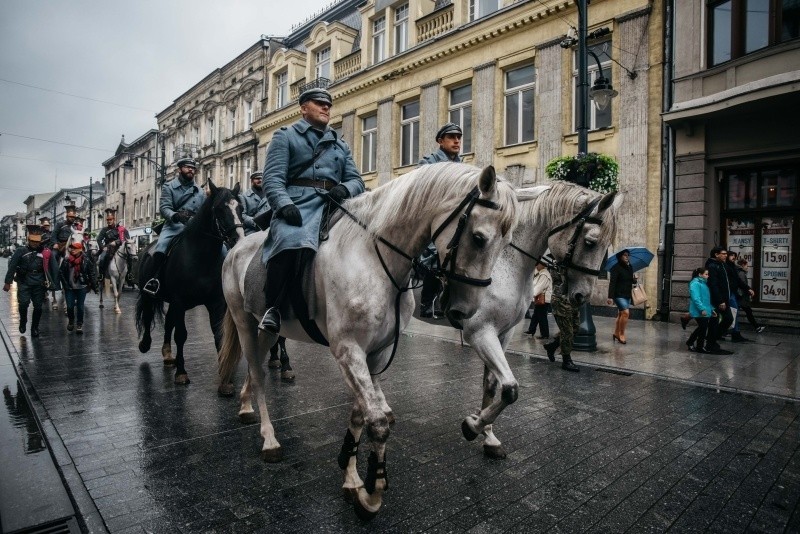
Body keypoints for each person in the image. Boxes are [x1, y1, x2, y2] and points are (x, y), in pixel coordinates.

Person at [259, 88, 365, 333]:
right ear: (304, 108)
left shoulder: (340, 144)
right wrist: (284, 205)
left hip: (334, 204)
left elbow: (356, 180)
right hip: (298, 205)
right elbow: (272, 179)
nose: (326, 107)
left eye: (328, 104)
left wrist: (344, 189)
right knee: (290, 240)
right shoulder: (285, 136)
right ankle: (272, 308)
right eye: (319, 103)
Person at [416, 122, 463, 317]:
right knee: (434, 260)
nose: (457, 141)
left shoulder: (463, 166)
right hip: (432, 216)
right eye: (451, 137)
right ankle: (426, 304)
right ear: (440, 141)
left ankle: (451, 302)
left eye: (459, 137)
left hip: (455, 219)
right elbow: (424, 191)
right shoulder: (428, 163)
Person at [143, 157, 206, 295]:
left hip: (194, 227)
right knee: (161, 247)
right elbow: (164, 207)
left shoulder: (200, 191)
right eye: (187, 167)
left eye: (193, 168)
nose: (191, 170)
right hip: (174, 226)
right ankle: (154, 280)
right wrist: (175, 215)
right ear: (179, 169)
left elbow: (204, 211)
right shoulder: (169, 186)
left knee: (222, 249)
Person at [3, 225, 57, 337]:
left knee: (38, 307)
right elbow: (12, 267)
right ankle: (23, 321)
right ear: (28, 240)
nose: (35, 243)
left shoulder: (44, 252)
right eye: (32, 241)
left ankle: (35, 327)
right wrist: (8, 282)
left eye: (37, 241)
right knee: (23, 304)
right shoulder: (20, 251)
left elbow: (53, 268)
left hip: (39, 282)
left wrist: (54, 283)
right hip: (24, 282)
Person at [542, 269, 580, 372]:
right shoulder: (558, 263)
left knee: (575, 328)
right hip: (561, 300)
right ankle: (566, 360)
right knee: (567, 332)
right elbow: (564, 278)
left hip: (572, 300)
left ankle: (552, 346)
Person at [59, 241, 97, 334]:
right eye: (71, 248)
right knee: (70, 307)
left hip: (81, 287)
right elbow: (61, 272)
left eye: (75, 248)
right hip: (70, 287)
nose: (72, 250)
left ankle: (79, 324)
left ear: (80, 249)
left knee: (80, 307)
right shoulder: (67, 259)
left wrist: (94, 286)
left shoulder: (86, 260)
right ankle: (71, 321)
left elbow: (91, 273)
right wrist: (65, 284)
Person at [705, 246, 734, 351]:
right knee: (715, 320)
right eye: (723, 253)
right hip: (717, 300)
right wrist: (720, 300)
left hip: (724, 299)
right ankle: (710, 343)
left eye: (726, 254)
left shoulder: (723, 265)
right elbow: (714, 285)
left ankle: (712, 339)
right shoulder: (712, 266)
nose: (726, 255)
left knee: (728, 319)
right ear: (716, 254)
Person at [685, 267, 719, 353]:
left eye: (708, 274)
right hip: (699, 310)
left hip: (704, 310)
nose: (708, 276)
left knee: (702, 328)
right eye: (706, 274)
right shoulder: (695, 283)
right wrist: (702, 309)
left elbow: (706, 299)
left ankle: (692, 343)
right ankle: (697, 345)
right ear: (700, 275)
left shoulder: (703, 283)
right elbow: (696, 298)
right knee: (702, 328)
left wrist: (711, 309)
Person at [607, 249, 637, 344]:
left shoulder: (630, 267)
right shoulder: (615, 268)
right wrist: (610, 297)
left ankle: (616, 333)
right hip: (618, 295)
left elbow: (630, 281)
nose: (627, 256)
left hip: (627, 294)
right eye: (625, 255)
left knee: (621, 314)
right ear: (620, 256)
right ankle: (621, 334)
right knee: (625, 313)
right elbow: (612, 283)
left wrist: (634, 279)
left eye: (628, 255)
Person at [724, 251, 752, 342]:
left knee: (734, 313)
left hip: (732, 292)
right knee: (733, 312)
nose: (733, 257)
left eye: (734, 256)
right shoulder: (725, 267)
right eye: (731, 255)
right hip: (728, 293)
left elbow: (738, 281)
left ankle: (734, 333)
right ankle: (733, 333)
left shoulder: (733, 267)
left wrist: (748, 288)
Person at [97, 208, 130, 279]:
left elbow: (127, 237)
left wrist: (117, 242)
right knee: (102, 258)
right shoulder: (104, 230)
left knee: (130, 258)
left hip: (119, 247)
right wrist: (103, 247)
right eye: (108, 220)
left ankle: (129, 275)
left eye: (110, 219)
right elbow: (99, 239)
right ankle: (101, 274)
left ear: (114, 219)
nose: (109, 221)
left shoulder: (120, 229)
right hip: (108, 247)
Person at [735, 257, 765, 333]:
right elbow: (743, 285)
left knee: (748, 312)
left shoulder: (739, 272)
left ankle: (757, 327)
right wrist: (749, 291)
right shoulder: (741, 273)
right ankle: (757, 328)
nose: (747, 268)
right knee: (748, 312)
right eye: (746, 266)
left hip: (741, 297)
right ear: (742, 265)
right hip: (742, 298)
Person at [524, 261, 552, 338]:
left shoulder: (544, 274)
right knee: (536, 316)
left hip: (543, 299)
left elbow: (539, 287)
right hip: (540, 298)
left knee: (542, 317)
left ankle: (545, 334)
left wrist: (531, 295)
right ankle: (531, 330)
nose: (536, 266)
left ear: (542, 265)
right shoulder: (541, 273)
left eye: (538, 264)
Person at [240, 171, 270, 235]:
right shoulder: (244, 196)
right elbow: (243, 215)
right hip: (252, 229)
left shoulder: (270, 194)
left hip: (269, 228)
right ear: (251, 181)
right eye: (257, 179)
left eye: (262, 178)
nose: (260, 180)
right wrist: (256, 223)